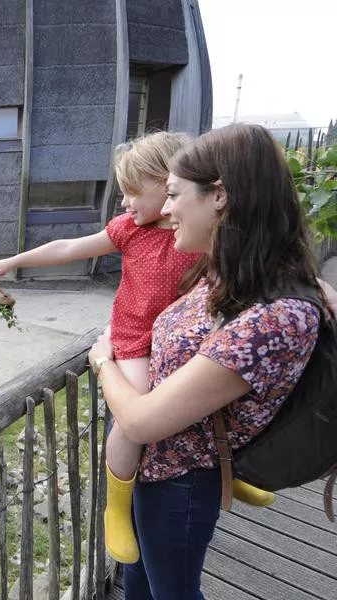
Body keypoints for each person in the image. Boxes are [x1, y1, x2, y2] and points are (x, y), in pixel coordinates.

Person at [0, 131, 271, 565]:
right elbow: (71, 247)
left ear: (165, 182)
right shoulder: (129, 230)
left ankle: (233, 469)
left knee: (212, 403)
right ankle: (117, 504)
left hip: (184, 336)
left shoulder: (198, 229)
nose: (124, 202)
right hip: (134, 339)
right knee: (132, 422)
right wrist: (15, 261)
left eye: (132, 192)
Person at [87, 123, 332, 599]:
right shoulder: (233, 271)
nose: (168, 209)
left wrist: (104, 363)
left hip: (184, 480)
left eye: (175, 194)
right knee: (141, 583)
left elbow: (138, 421)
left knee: (172, 593)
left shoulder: (271, 317)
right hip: (158, 473)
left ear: (218, 196)